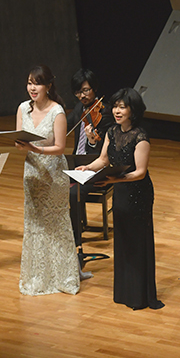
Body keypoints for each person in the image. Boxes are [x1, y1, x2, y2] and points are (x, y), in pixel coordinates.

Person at [76, 88, 163, 310]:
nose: (116, 110)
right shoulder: (112, 132)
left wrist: (113, 180)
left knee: (137, 242)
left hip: (138, 193)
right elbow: (103, 160)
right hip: (121, 190)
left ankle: (141, 296)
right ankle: (125, 292)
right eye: (115, 106)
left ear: (133, 110)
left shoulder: (140, 136)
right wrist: (88, 167)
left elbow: (140, 172)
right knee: (123, 240)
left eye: (122, 107)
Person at [15, 65, 81, 296]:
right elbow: (18, 139)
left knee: (55, 223)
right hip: (32, 172)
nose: (32, 88)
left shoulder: (58, 112)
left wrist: (35, 148)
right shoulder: (23, 108)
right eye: (30, 82)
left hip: (53, 173)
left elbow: (61, 147)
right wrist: (23, 145)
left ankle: (64, 275)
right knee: (34, 223)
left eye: (37, 83)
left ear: (48, 86)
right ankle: (38, 276)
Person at [66, 69, 113, 247]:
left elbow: (104, 150)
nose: (82, 95)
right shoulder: (80, 108)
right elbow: (66, 122)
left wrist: (93, 140)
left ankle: (74, 238)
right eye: (78, 92)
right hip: (77, 165)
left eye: (86, 90)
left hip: (97, 169)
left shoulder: (106, 113)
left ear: (94, 89)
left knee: (73, 192)